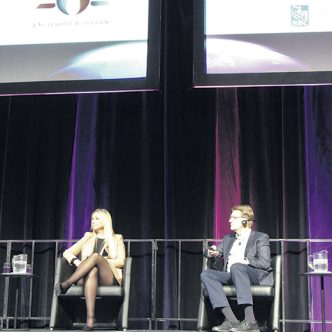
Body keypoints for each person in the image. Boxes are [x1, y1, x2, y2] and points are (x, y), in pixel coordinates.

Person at [200, 205, 273, 332]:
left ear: (245, 221)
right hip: (232, 274)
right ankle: (231, 320)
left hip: (253, 275)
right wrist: (212, 251)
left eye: (234, 217)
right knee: (206, 274)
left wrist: (244, 261)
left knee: (237, 266)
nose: (229, 220)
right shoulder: (228, 238)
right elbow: (215, 250)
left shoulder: (260, 237)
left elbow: (265, 263)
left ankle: (251, 321)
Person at [55, 208, 126, 331]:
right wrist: (77, 262)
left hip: (107, 276)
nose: (93, 221)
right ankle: (90, 320)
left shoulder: (117, 238)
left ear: (105, 221)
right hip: (86, 276)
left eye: (97, 219)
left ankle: (67, 283)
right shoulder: (87, 237)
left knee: (95, 257)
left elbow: (121, 261)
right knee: (92, 270)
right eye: (92, 219)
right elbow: (67, 252)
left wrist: (101, 261)